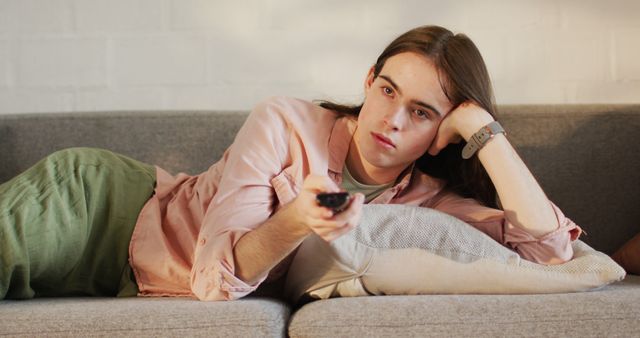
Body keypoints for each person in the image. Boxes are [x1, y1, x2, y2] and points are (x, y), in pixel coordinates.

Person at [0, 25, 583, 301]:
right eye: (385, 90)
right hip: (106, 211)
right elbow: (214, 281)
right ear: (367, 83)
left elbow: (552, 256)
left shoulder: (425, 201)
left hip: (130, 281)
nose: (392, 120)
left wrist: (485, 132)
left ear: (441, 136)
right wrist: (297, 219)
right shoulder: (283, 122)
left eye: (422, 113)